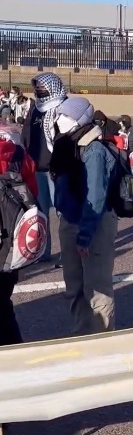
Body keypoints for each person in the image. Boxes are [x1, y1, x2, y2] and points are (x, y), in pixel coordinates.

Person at [50, 96, 119, 335]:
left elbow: (96, 196)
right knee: (74, 288)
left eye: (65, 116)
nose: (60, 120)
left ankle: (101, 341)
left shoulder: (94, 150)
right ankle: (82, 336)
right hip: (70, 219)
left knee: (97, 288)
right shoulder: (66, 144)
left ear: (79, 120)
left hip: (94, 222)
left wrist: (85, 235)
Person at [21, 72, 68, 266]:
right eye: (37, 87)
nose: (39, 90)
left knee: (63, 210)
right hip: (36, 168)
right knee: (39, 212)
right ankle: (43, 252)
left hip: (56, 168)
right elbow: (26, 134)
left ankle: (68, 253)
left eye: (43, 87)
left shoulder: (63, 108)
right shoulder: (35, 109)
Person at [0, 126, 39, 345]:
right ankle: (14, 350)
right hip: (11, 244)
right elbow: (33, 196)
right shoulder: (18, 154)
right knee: (4, 303)